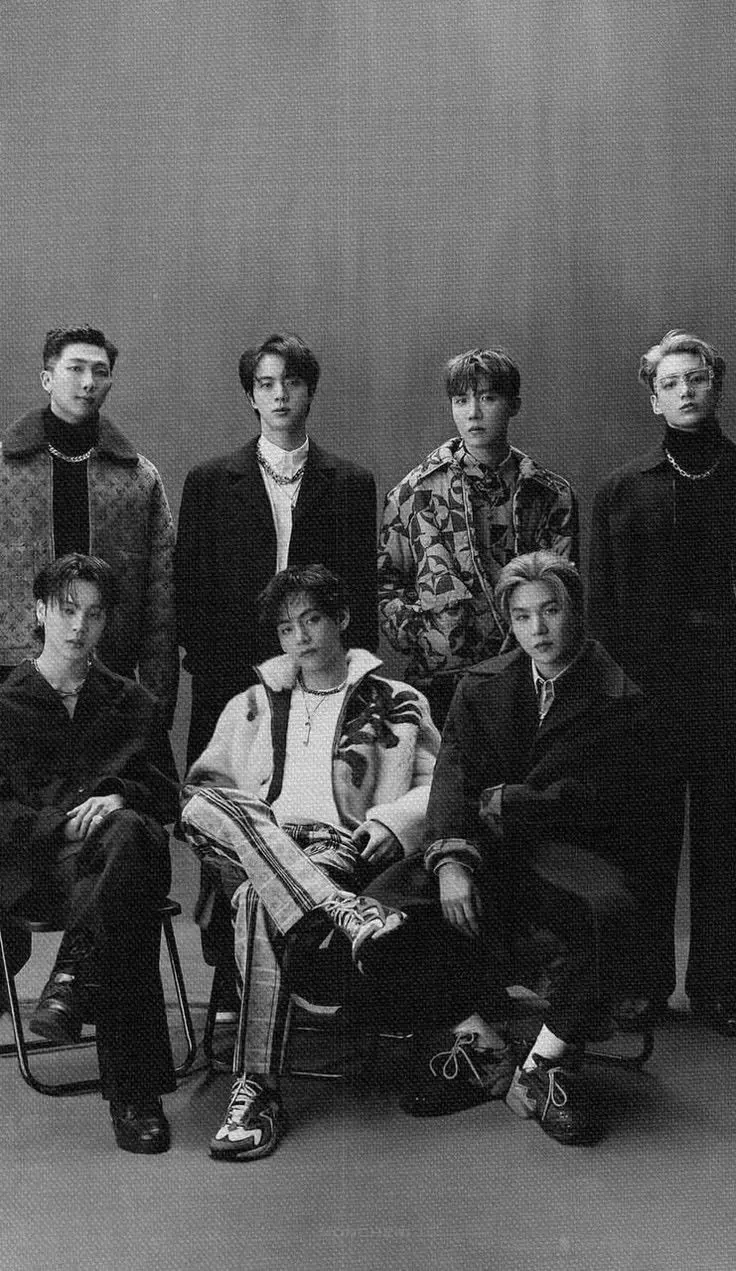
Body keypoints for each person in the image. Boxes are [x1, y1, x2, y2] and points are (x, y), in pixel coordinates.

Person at [363, 551, 655, 1145]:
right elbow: (452, 780)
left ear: (577, 612)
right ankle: (485, 1048)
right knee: (376, 913)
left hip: (571, 855)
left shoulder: (619, 696)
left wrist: (509, 802)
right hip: (482, 849)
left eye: (551, 611)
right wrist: (450, 861)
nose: (538, 630)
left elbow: (606, 800)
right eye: (522, 616)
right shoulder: (482, 685)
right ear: (509, 621)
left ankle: (543, 1066)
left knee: (612, 914)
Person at [179, 564, 439, 1161]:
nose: (300, 637)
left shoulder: (396, 701)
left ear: (341, 619)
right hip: (261, 839)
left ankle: (256, 1090)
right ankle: (338, 910)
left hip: (336, 848)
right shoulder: (251, 702)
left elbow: (440, 787)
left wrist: (390, 823)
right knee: (197, 805)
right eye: (286, 628)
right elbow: (207, 787)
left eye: (312, 620)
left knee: (257, 897)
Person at [175, 332, 379, 986]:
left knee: (313, 815)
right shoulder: (211, 482)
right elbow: (189, 588)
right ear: (252, 397)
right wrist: (219, 670)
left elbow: (361, 596)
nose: (280, 395)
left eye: (292, 382)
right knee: (229, 821)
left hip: (321, 681)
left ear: (309, 391)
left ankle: (309, 967)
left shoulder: (349, 483)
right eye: (266, 384)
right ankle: (231, 974)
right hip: (232, 682)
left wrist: (346, 680)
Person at [0, 555, 179, 1153]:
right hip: (39, 870)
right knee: (125, 900)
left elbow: (168, 797)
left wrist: (118, 796)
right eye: (68, 610)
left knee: (126, 836)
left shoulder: (134, 702)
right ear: (39, 612)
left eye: (94, 614)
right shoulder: (4, 703)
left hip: (117, 860)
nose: (80, 627)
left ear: (107, 622)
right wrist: (63, 827)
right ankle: (135, 1096)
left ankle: (75, 976)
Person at [589, 328, 736, 1033]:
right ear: (653, 399)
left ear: (716, 386)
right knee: (647, 838)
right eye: (671, 383)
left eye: (696, 379)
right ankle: (643, 983)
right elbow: (601, 609)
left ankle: (721, 987)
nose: (686, 392)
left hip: (729, 685)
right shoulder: (622, 490)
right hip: (647, 689)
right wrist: (617, 695)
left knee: (726, 838)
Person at [377, 347, 578, 726]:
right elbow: (386, 584)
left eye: (487, 398)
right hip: (441, 683)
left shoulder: (549, 494)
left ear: (513, 405)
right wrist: (427, 637)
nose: (473, 412)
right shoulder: (413, 494)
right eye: (461, 400)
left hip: (529, 675)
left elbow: (566, 588)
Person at [0, 325, 178, 723]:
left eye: (100, 372)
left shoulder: (138, 478)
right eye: (75, 369)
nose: (88, 382)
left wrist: (156, 702)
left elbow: (160, 598)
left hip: (108, 683)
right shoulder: (4, 471)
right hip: (10, 680)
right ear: (47, 379)